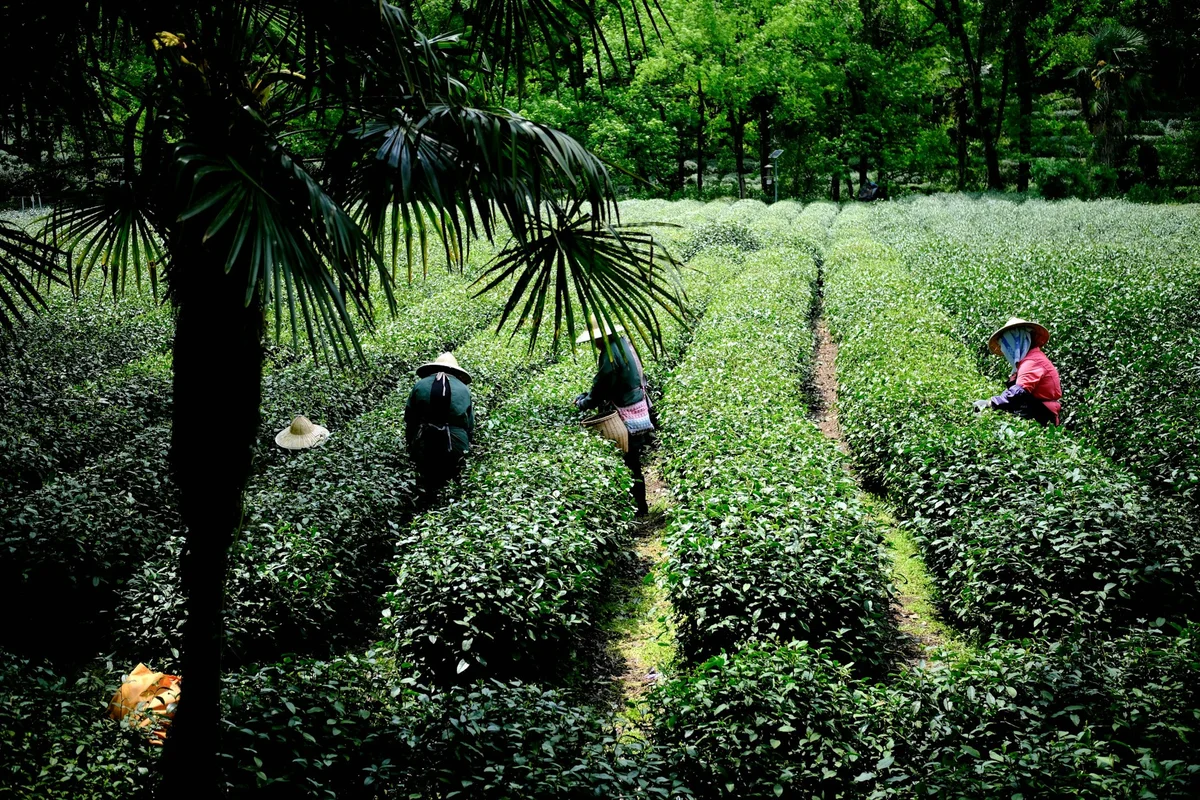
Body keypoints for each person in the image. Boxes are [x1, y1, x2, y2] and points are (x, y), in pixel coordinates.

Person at [574, 319, 654, 517]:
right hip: (639, 403)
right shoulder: (624, 343)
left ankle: (639, 508)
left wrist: (584, 402)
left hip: (627, 412)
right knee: (633, 460)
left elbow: (602, 385)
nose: (595, 344)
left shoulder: (610, 355)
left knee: (630, 461)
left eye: (595, 339)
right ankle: (640, 506)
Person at [405, 352, 474, 496]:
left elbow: (410, 419)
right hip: (456, 441)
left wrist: (411, 445)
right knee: (454, 483)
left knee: (427, 481)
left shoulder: (420, 385)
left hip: (425, 439)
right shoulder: (463, 389)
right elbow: (469, 425)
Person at [973, 317, 1062, 426]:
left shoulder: (1032, 361)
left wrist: (991, 403)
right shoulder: (1027, 360)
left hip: (1042, 416)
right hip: (1034, 412)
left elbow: (1017, 393)